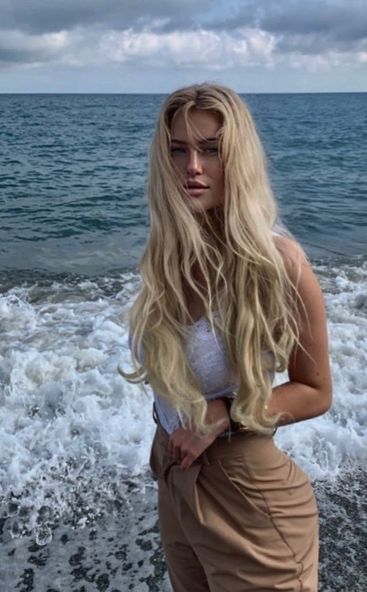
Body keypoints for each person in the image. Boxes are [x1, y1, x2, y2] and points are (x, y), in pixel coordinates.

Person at [122, 82, 332, 592]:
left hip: (248, 495)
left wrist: (223, 412)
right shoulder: (168, 256)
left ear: (236, 158)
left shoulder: (278, 263)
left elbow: (316, 390)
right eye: (179, 149)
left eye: (211, 149)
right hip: (174, 481)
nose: (192, 166)